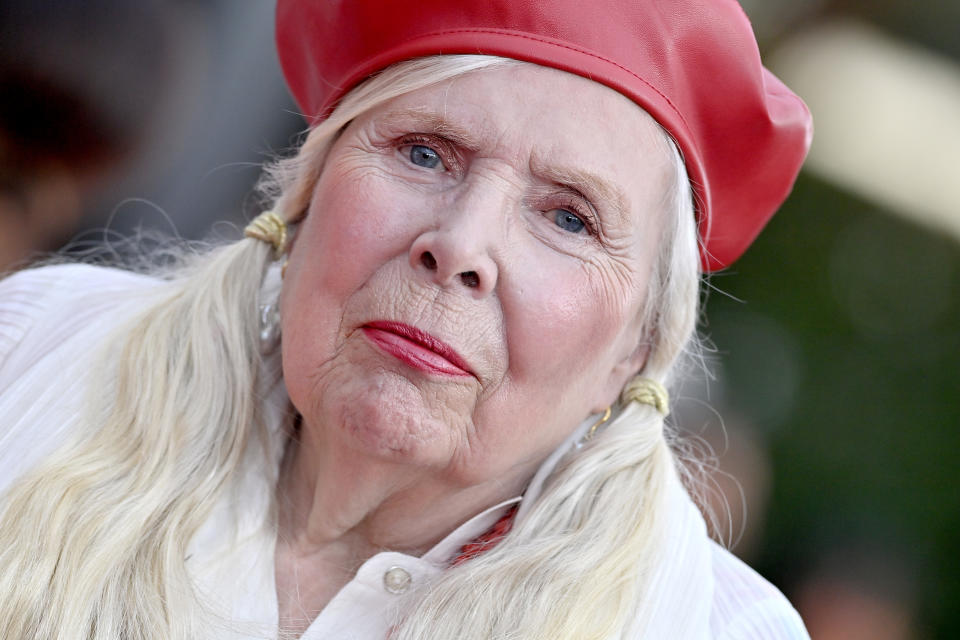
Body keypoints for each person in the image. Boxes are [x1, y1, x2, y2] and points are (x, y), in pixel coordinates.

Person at [0, 1, 813, 638]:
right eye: (425, 152)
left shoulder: (709, 628)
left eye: (569, 219)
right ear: (305, 196)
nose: (460, 244)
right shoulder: (41, 351)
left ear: (636, 350)